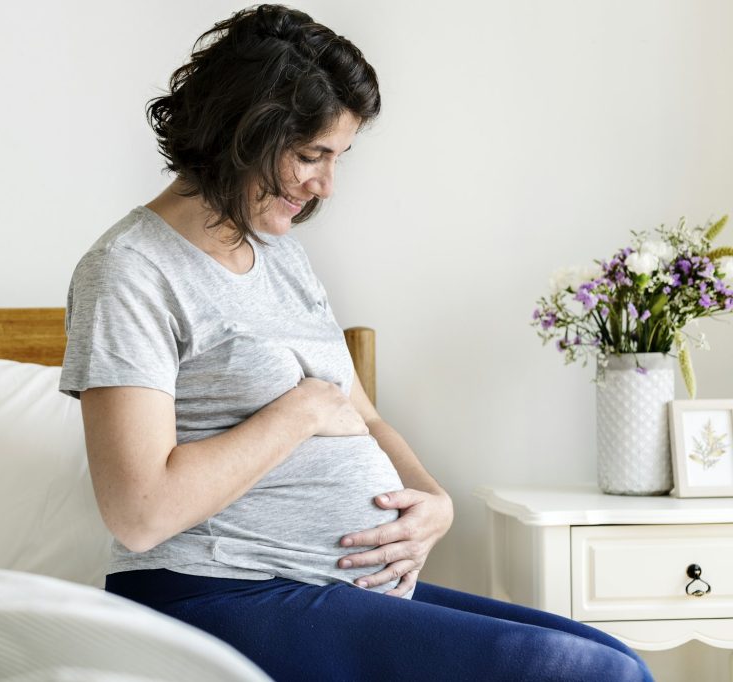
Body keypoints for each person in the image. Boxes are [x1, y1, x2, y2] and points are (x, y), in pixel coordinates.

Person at [60, 5, 653, 681]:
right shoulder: (130, 269)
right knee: (590, 674)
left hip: (333, 588)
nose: (326, 186)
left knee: (615, 658)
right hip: (214, 593)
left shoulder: (280, 255)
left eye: (337, 157)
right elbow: (138, 513)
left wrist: (434, 500)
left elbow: (362, 415)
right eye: (311, 155)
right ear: (239, 132)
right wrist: (300, 412)